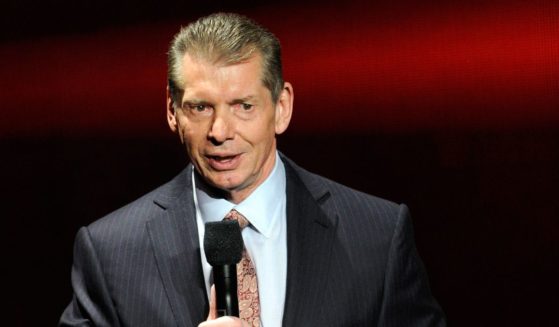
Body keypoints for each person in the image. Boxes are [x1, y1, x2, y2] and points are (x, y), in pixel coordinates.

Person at [59, 12, 446, 327]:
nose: (220, 132)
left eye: (243, 106)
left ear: (282, 108)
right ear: (171, 112)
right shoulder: (111, 252)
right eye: (200, 107)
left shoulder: (377, 237)